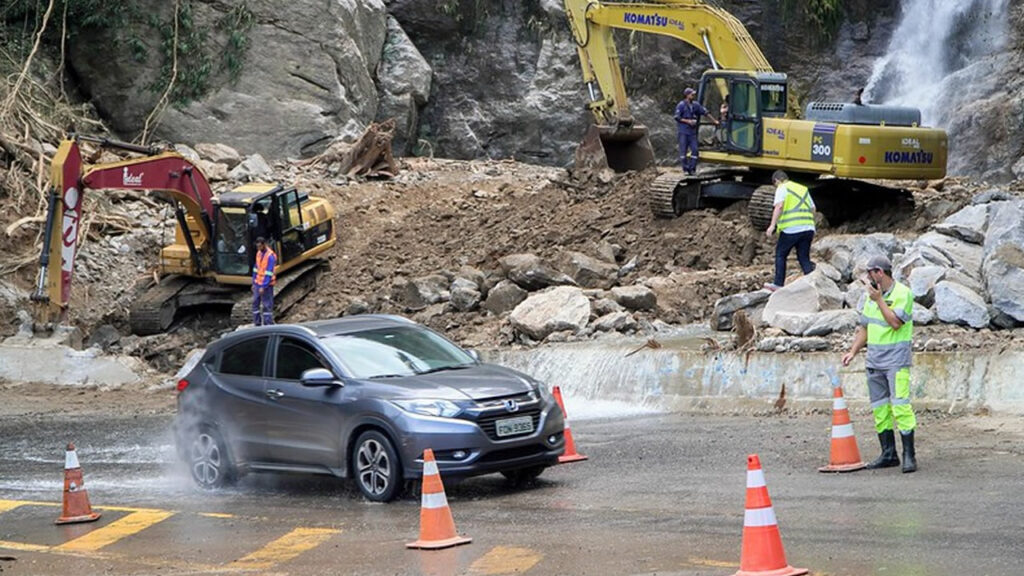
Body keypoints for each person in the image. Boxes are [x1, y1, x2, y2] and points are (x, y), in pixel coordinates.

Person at [841, 255, 918, 473]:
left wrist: (879, 300)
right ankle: (888, 454)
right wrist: (853, 351)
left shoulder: (903, 294)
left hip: (896, 360)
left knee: (901, 406)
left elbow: (895, 323)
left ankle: (909, 455)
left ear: (880, 273)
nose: (867, 278)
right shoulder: (870, 297)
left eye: (870, 273)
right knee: (880, 408)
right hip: (874, 360)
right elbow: (865, 328)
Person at [763, 170, 815, 291]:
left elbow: (779, 206)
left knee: (781, 254)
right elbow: (813, 208)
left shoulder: (782, 188)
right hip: (808, 228)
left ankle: (778, 283)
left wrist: (772, 225)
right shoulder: (803, 189)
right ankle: (813, 283)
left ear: (776, 181)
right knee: (803, 257)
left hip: (792, 229)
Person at [674, 87, 719, 175]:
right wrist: (688, 121)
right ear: (687, 95)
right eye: (692, 94)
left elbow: (705, 112)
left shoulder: (695, 105)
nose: (693, 96)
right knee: (683, 152)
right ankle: (685, 169)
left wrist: (714, 121)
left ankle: (692, 169)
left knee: (695, 150)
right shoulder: (681, 105)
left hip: (692, 132)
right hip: (683, 131)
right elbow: (677, 117)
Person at [252, 237, 277, 326]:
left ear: (264, 245)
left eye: (259, 246)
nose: (258, 248)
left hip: (267, 285)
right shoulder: (259, 253)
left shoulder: (270, 256)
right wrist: (254, 282)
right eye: (257, 246)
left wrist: (264, 286)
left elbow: (268, 273)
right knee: (255, 303)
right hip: (258, 283)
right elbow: (256, 268)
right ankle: (257, 323)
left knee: (266, 305)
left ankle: (268, 324)